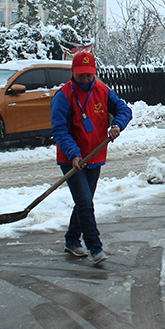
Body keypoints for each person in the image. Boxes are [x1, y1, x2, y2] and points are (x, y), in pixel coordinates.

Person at [51, 51, 132, 265]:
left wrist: (117, 125)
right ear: (72, 73)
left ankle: (71, 240)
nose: (86, 80)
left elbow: (124, 110)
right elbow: (59, 130)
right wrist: (73, 154)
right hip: (72, 160)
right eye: (81, 76)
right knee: (85, 203)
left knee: (83, 202)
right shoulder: (63, 96)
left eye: (89, 75)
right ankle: (95, 247)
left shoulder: (103, 91)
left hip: (95, 156)